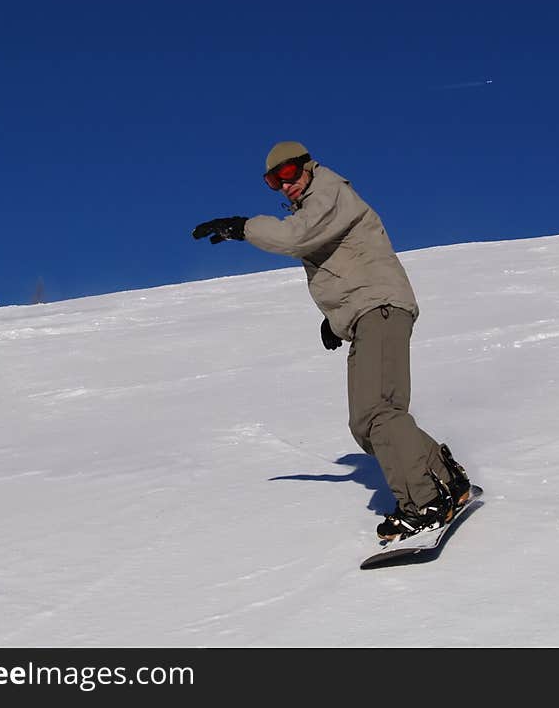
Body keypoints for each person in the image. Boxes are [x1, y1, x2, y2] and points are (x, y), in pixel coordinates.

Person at [192, 141, 470, 541]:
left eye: (288, 174)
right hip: (367, 312)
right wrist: (336, 318)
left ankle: (424, 502)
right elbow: (344, 262)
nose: (284, 185)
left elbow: (296, 238)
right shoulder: (317, 202)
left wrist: (243, 227)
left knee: (380, 413)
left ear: (307, 166)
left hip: (381, 308)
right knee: (365, 424)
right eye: (273, 180)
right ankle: (446, 478)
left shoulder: (329, 191)